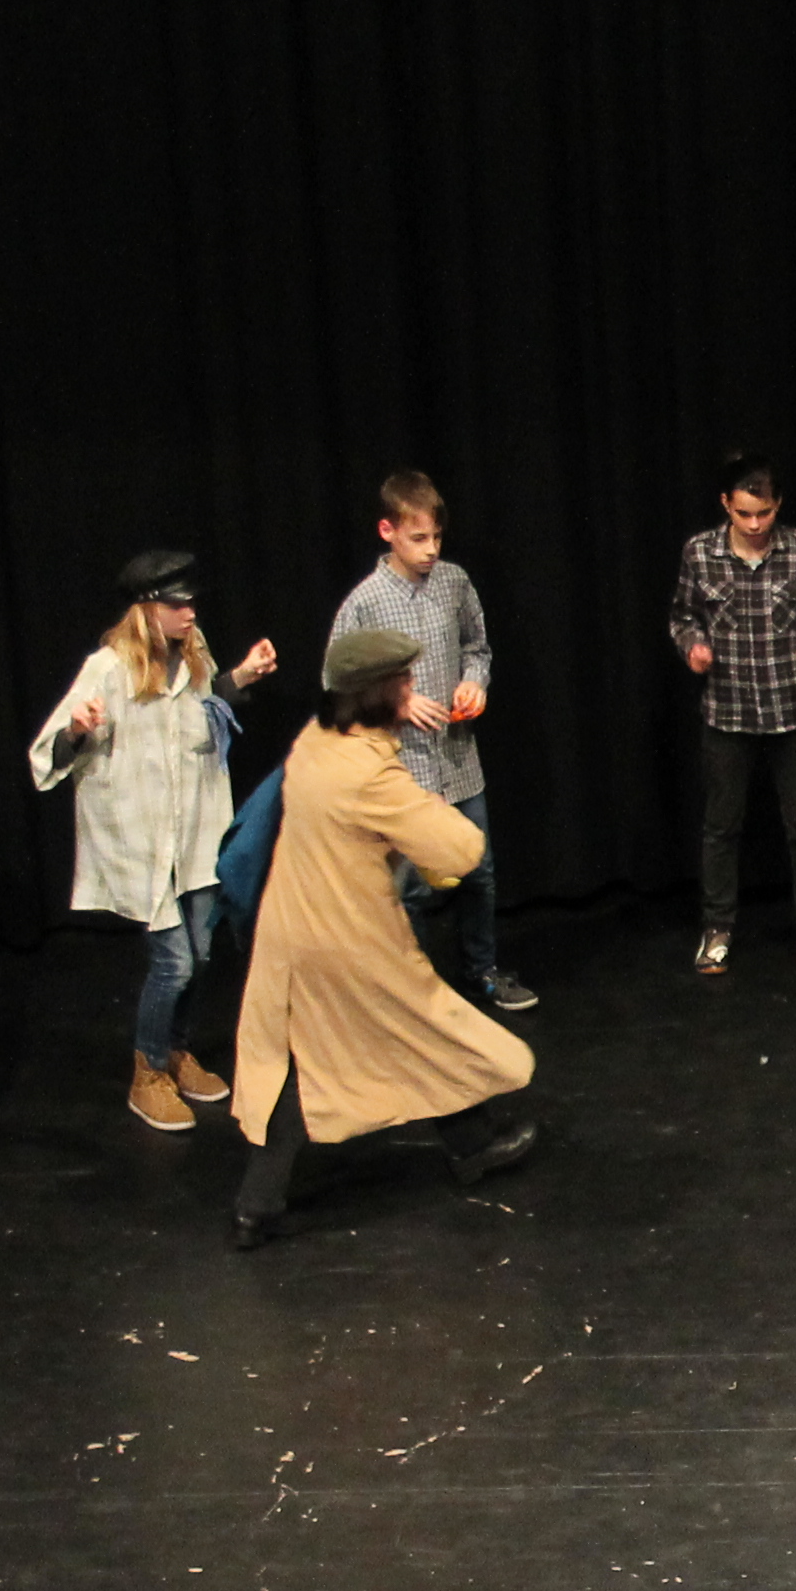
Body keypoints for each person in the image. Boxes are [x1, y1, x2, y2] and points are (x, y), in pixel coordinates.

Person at [230, 626, 539, 1248]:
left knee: (345, 1046)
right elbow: (461, 849)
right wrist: (428, 819)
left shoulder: (316, 741)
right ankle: (257, 1202)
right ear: (378, 692)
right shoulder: (368, 775)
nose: (411, 686)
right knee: (411, 1028)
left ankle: (469, 1142)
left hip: (291, 932)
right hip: (346, 940)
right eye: (403, 680)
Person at [28, 551, 279, 1134]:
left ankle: (175, 1051)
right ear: (147, 609)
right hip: (141, 841)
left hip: (192, 834)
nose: (189, 613)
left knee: (204, 954)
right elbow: (50, 753)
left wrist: (241, 677)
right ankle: (147, 1071)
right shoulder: (108, 669)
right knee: (175, 963)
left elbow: (204, 713)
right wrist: (78, 729)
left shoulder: (192, 658)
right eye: (176, 604)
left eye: (191, 603)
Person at [332, 470, 534, 1015]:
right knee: (411, 889)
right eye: (418, 538)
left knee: (478, 871)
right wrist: (396, 706)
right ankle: (414, 993)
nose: (431, 549)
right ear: (388, 531)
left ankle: (481, 971)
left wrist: (474, 682)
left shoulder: (454, 583)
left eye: (437, 537)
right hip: (404, 772)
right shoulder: (365, 604)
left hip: (458, 759)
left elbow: (477, 648)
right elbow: (338, 686)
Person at [668, 450, 796, 976]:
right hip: (728, 711)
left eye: (763, 513)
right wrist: (693, 646)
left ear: (778, 505)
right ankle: (717, 927)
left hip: (793, 709)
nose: (753, 524)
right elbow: (682, 615)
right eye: (743, 513)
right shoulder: (700, 553)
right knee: (721, 828)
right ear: (726, 504)